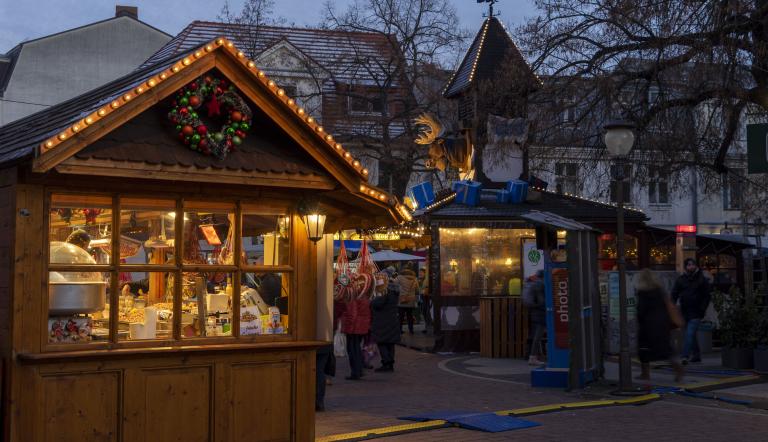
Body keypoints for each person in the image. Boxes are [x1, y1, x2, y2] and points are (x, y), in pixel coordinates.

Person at [636, 269, 684, 382]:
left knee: (644, 350)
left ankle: (645, 374)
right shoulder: (660, 291)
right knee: (665, 350)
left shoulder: (643, 293)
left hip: (647, 325)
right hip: (662, 324)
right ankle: (678, 369)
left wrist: (640, 321)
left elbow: (641, 311)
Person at [671, 258, 712, 364]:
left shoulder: (701, 279)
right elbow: (674, 294)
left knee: (689, 334)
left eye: (693, 264)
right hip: (684, 311)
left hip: (696, 311)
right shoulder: (681, 279)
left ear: (696, 266)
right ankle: (697, 355)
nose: (691, 266)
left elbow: (706, 296)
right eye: (689, 265)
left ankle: (685, 356)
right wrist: (672, 306)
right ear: (685, 267)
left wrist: (702, 309)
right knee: (691, 335)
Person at [370, 272, 400, 372]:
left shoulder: (384, 292)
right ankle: (390, 363)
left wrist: (372, 299)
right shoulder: (394, 292)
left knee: (382, 342)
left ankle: (386, 363)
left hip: (382, 322)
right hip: (392, 321)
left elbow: (376, 304)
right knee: (390, 343)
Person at [339, 291, 371, 380]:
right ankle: (359, 370)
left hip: (354, 327)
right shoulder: (364, 295)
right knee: (357, 348)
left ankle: (356, 372)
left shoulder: (352, 296)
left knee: (352, 350)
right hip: (362, 325)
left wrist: (348, 328)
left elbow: (352, 314)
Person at [523, 270, 546, 365]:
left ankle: (531, 355)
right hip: (540, 312)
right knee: (538, 336)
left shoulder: (532, 283)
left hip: (533, 312)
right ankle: (532, 357)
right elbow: (541, 300)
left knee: (534, 335)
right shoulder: (540, 284)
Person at [396, 266, 419, 334]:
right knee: (410, 316)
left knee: (401, 316)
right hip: (411, 300)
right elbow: (417, 290)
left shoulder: (399, 277)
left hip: (402, 299)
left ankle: (399, 330)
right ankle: (411, 330)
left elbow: (394, 285)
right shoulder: (415, 279)